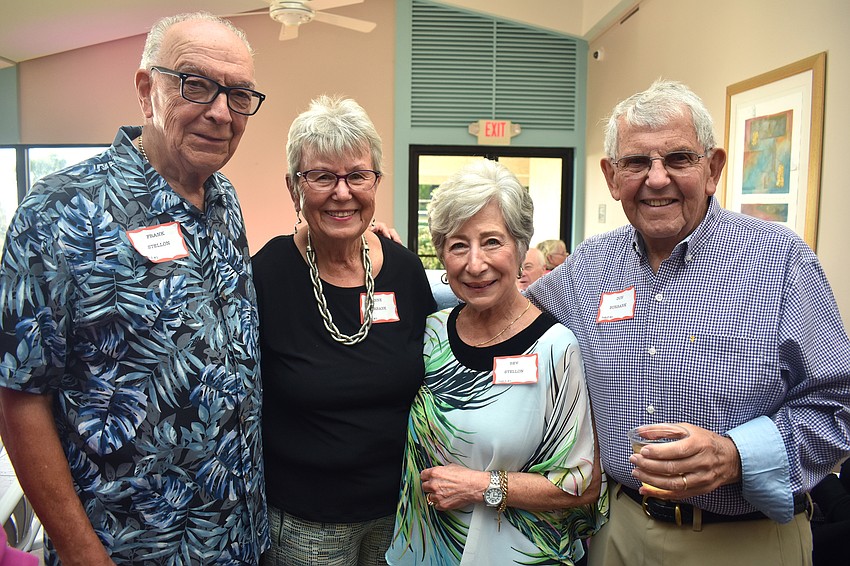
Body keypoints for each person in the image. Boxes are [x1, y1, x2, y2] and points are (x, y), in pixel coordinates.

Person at [527, 79, 850, 565]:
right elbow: (505, 321)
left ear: (713, 168)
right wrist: (381, 258)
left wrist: (737, 455)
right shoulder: (589, 266)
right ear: (612, 177)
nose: (657, 179)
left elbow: (839, 403)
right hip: (617, 534)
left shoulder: (781, 260)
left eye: (678, 159)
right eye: (637, 163)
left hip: (744, 542)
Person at [0, 12, 269, 565]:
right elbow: (19, 398)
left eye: (239, 95)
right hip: (126, 550)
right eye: (196, 85)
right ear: (147, 90)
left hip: (240, 541)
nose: (220, 112)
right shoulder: (59, 212)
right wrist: (81, 554)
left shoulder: (226, 203)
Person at [386, 158, 607, 566]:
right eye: (458, 245)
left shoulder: (556, 348)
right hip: (427, 552)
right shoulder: (432, 332)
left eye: (492, 241)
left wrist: (481, 486)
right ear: (440, 254)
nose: (475, 263)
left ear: (521, 247)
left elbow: (583, 485)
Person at [252, 95, 436, 565]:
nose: (342, 192)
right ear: (294, 187)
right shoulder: (265, 275)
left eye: (357, 175)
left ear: (376, 182)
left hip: (399, 510)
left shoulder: (403, 270)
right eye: (321, 176)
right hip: (303, 520)